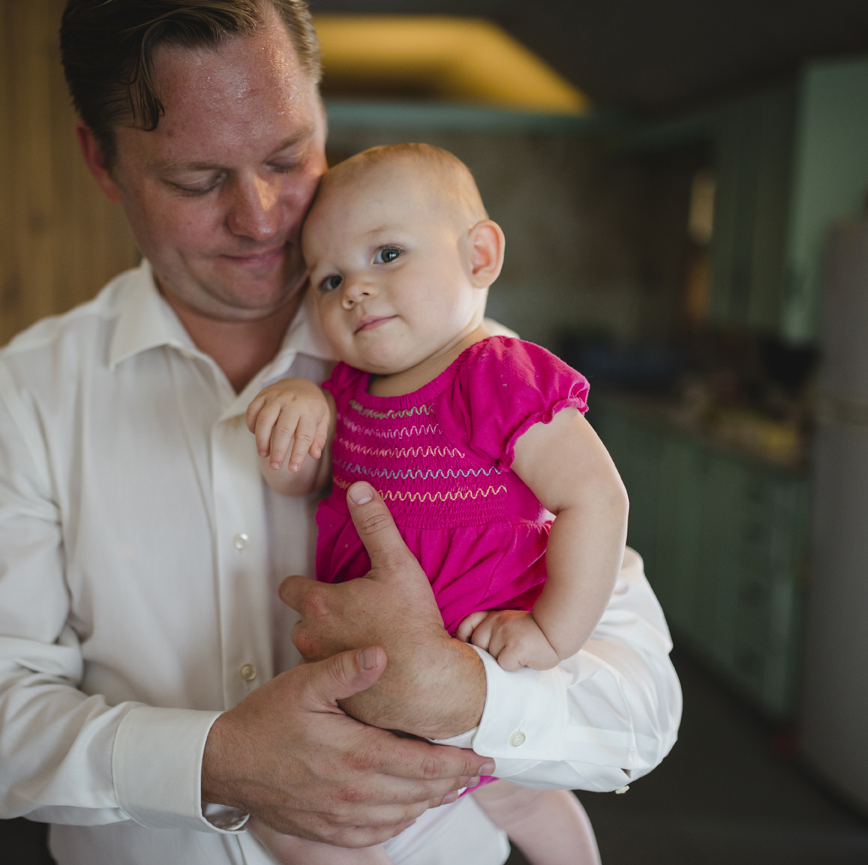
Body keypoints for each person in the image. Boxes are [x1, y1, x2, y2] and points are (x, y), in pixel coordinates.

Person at [0, 2, 683, 864]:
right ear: (102, 160)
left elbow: (642, 711)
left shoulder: (475, 369)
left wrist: (469, 695)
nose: (260, 217)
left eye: (287, 158)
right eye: (197, 179)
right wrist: (214, 762)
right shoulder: (27, 395)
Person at [244, 144, 619, 865]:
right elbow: (297, 483)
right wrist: (294, 412)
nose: (354, 290)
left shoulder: (497, 373)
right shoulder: (345, 392)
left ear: (479, 255)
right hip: (372, 672)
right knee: (292, 814)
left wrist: (551, 633)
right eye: (329, 279)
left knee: (521, 797)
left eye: (387, 254)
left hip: (477, 659)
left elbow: (596, 497)